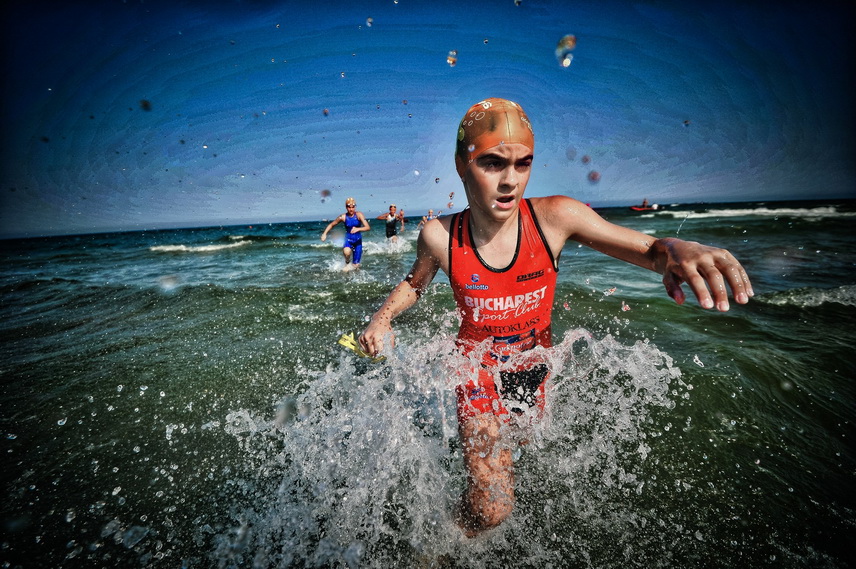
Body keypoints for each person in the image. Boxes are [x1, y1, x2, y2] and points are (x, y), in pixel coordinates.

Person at [358, 98, 753, 537]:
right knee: (493, 507)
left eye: (522, 164)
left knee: (521, 453)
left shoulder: (555, 219)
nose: (510, 181)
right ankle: (440, 548)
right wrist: (382, 319)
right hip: (477, 370)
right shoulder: (440, 236)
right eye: (492, 163)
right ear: (461, 164)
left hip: (534, 367)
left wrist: (675, 249)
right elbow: (415, 284)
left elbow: (647, 250)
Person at [320, 197, 370, 270]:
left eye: (353, 207)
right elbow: (331, 224)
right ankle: (347, 262)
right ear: (346, 207)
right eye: (349, 207)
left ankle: (353, 276)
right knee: (346, 252)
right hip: (348, 240)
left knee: (356, 266)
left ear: (355, 207)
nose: (351, 209)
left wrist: (358, 229)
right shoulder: (343, 217)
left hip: (358, 241)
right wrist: (324, 234)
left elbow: (368, 227)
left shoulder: (359, 215)